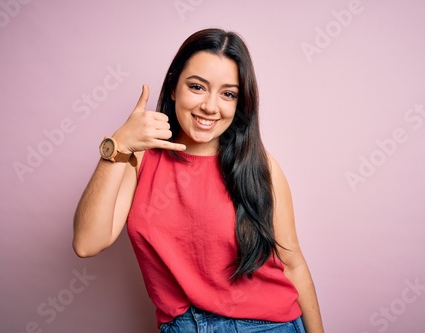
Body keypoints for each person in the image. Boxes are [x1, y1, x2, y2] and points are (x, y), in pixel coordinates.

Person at [73, 28, 324, 333]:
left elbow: (292, 263)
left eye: (228, 94)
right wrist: (118, 145)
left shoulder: (261, 167)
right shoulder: (138, 159)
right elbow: (87, 243)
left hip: (266, 326)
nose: (210, 106)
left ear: (240, 103)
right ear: (174, 87)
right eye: (197, 87)